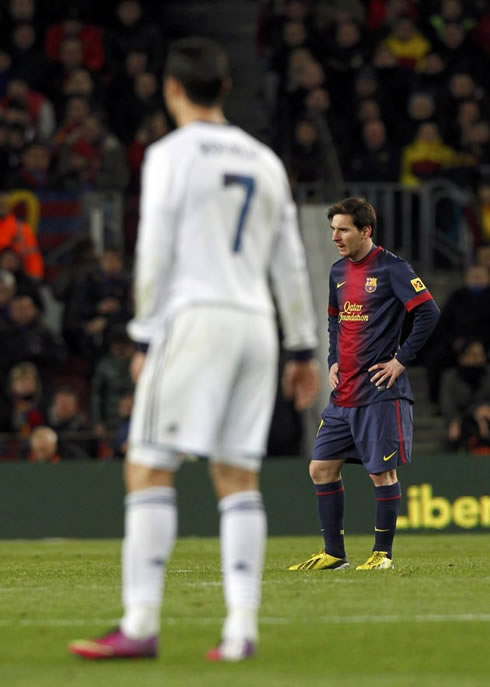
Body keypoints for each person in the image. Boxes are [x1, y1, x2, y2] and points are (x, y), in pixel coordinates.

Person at [68, 37, 320, 662]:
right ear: (226, 89)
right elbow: (290, 262)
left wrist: (145, 333)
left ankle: (141, 622)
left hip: (195, 318)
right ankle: (240, 632)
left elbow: (154, 247)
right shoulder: (263, 160)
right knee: (238, 476)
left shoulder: (169, 155)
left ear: (171, 88)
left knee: (149, 465)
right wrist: (302, 349)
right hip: (257, 325)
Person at [289, 197, 440, 573]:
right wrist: (333, 360)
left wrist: (400, 360)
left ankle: (382, 555)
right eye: (333, 230)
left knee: (381, 474)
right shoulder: (338, 271)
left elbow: (428, 312)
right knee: (320, 468)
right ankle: (334, 554)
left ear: (365, 231)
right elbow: (334, 321)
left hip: (379, 392)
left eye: (343, 229)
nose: (335, 237)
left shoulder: (393, 269)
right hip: (344, 394)